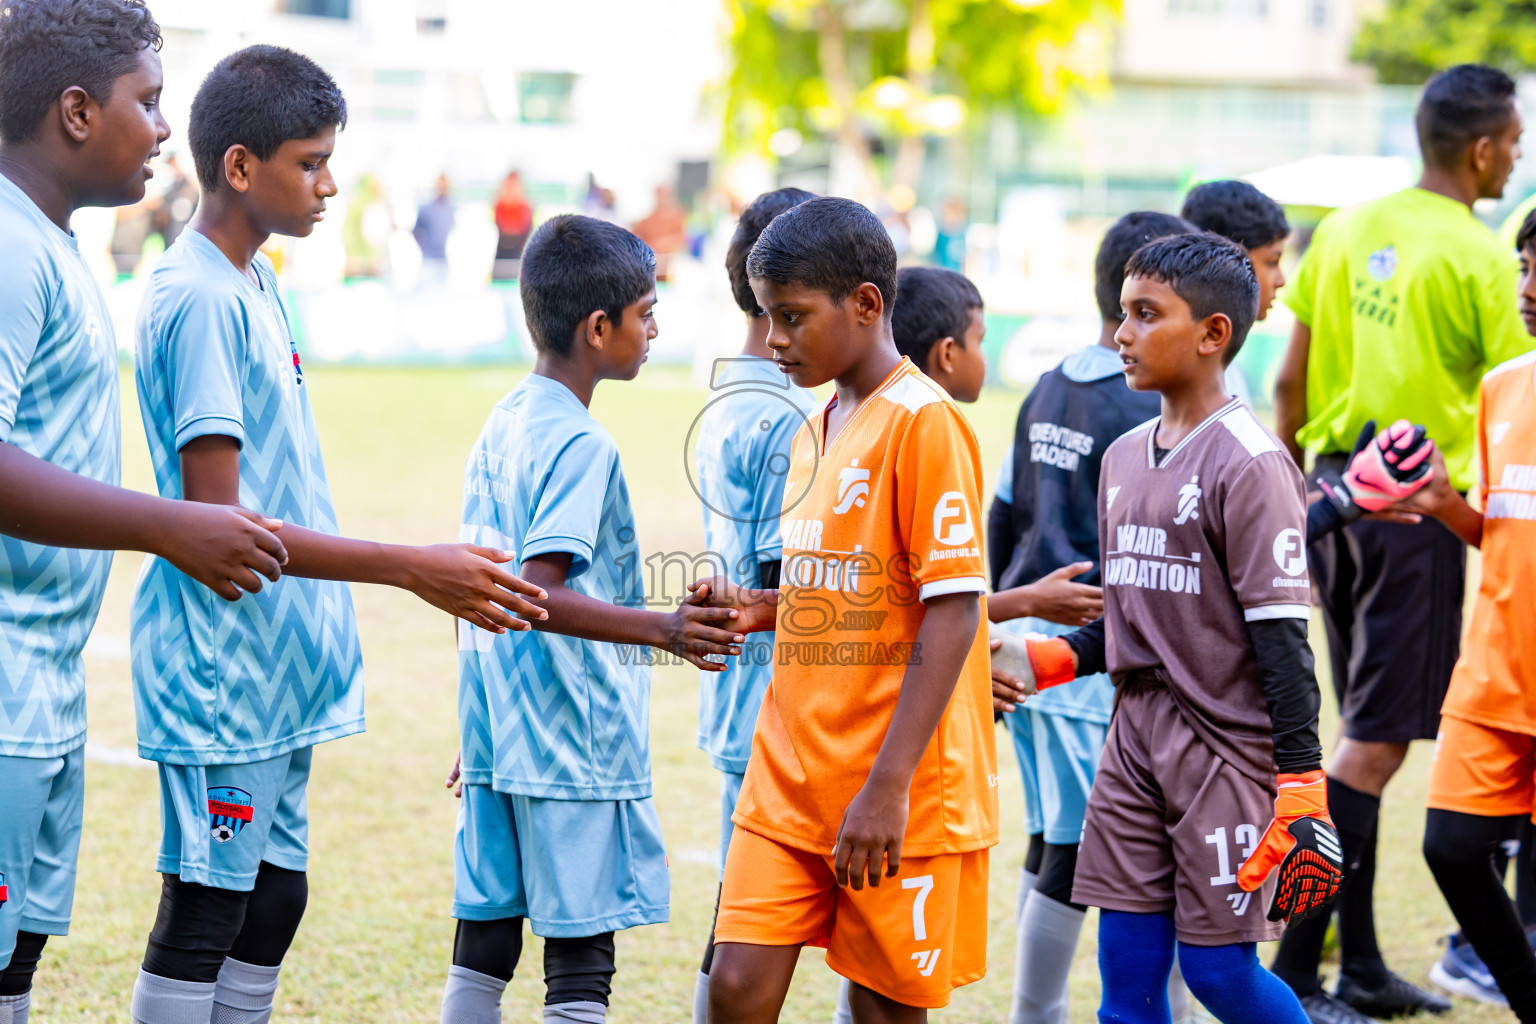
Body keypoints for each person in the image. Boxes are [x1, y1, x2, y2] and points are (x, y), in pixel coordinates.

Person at [125, 46, 547, 1024]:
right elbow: (222, 526)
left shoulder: (256, 281)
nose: (330, 184)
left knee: (272, 903)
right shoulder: (196, 298)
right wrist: (408, 567)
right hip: (223, 669)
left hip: (279, 666)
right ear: (239, 167)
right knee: (207, 910)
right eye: (310, 162)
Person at [0, 3, 302, 1019]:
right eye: (149, 101)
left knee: (15, 959)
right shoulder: (8, 245)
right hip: (4, 686)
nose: (166, 129)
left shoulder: (53, 247)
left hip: (40, 683)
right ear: (77, 111)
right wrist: (167, 524)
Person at [997, 232, 1342, 1024]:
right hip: (1131, 747)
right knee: (1128, 986)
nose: (1122, 333)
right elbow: (1129, 615)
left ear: (1213, 334)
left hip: (1223, 753)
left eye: (1147, 315)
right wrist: (1042, 659)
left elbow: (1284, 642)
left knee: (1220, 977)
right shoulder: (1122, 457)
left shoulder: (1251, 461)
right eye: (1123, 313)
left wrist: (1300, 783)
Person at [1270, 62, 1533, 1023]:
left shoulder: (1343, 226)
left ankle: (1365, 966)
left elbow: (1290, 379)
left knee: (1356, 736)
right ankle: (1298, 973)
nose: (1514, 157)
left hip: (1333, 497)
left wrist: (1305, 486)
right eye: (1512, 141)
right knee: (1371, 752)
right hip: (1413, 513)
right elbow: (1526, 401)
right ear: (1481, 147)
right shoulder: (1478, 255)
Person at [693, 196, 998, 1023]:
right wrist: (756, 607)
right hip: (790, 774)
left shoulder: (925, 423)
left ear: (866, 304)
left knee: (881, 1010)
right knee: (734, 988)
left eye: (791, 317)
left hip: (890, 787)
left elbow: (953, 612)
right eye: (765, 317)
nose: (775, 339)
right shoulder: (820, 422)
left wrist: (888, 786)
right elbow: (843, 586)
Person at [441, 213, 747, 1024]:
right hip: (568, 741)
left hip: (501, 732)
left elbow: (480, 583)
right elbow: (531, 594)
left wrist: (476, 723)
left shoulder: (503, 420)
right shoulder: (580, 443)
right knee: (581, 960)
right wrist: (667, 631)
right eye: (646, 314)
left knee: (485, 939)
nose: (655, 329)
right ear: (599, 327)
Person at [987, 212, 1187, 1024]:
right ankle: (1036, 1015)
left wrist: (998, 624)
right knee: (1080, 850)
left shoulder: (1051, 380)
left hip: (1024, 646)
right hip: (1076, 656)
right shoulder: (1140, 406)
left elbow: (1004, 510)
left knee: (1055, 840)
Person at [1402, 207, 1536, 1021]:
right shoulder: (1503, 389)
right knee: (1450, 847)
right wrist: (1442, 503)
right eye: (1522, 266)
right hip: (1492, 676)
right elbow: (1500, 531)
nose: (1526, 288)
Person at [690, 186, 817, 1024]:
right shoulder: (790, 407)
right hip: (781, 704)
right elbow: (786, 584)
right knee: (748, 925)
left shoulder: (727, 391)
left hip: (742, 698)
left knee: (745, 913)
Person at [492, 170, 532, 281]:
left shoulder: (525, 208)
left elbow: (521, 228)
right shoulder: (499, 206)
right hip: (501, 259)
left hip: (519, 258)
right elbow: (503, 226)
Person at [413, 173, 456, 275]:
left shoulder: (450, 209)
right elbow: (416, 232)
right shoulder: (426, 209)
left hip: (443, 260)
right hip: (429, 260)